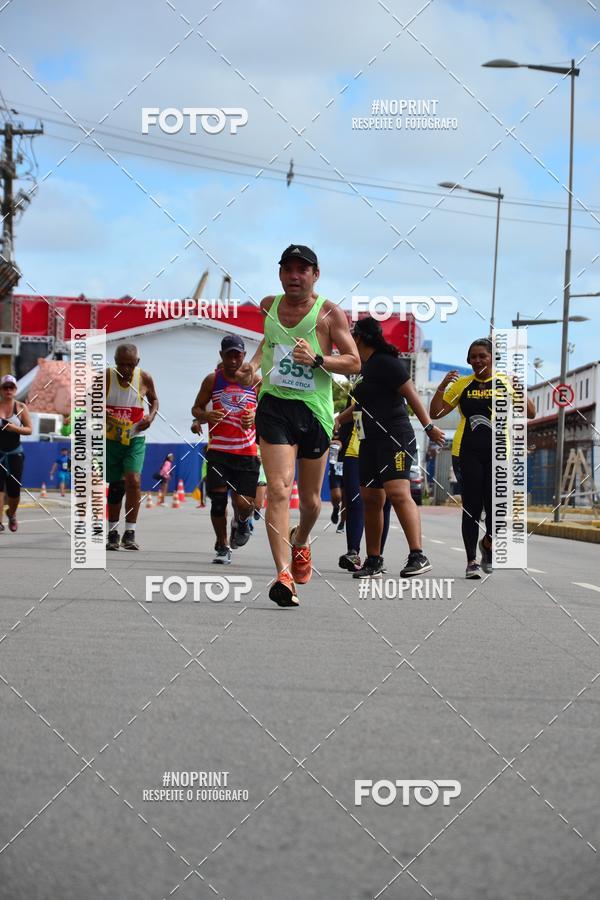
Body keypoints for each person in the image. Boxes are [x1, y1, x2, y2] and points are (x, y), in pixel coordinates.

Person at [238, 244, 361, 606]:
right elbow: (270, 341)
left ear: (315, 275)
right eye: (288, 269)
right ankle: (283, 575)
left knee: (310, 503)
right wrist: (253, 365)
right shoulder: (267, 305)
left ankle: (301, 539)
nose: (294, 276)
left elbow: (354, 362)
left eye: (302, 270)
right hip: (274, 406)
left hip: (314, 413)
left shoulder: (329, 314)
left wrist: (320, 358)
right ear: (280, 274)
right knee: (278, 488)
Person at [429, 338, 535, 578]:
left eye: (482, 356)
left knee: (497, 509)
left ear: (492, 358)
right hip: (465, 453)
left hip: (498, 455)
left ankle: (488, 543)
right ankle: (471, 562)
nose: (477, 361)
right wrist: (442, 387)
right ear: (468, 360)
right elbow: (434, 413)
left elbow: (530, 412)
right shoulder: (463, 385)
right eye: (473, 357)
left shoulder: (505, 383)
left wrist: (520, 390)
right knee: (472, 508)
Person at [349, 317, 445, 578]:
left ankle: (418, 555)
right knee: (371, 498)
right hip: (369, 440)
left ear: (358, 337)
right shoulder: (364, 368)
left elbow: (411, 394)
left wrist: (428, 427)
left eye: (351, 336)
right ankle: (374, 560)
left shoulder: (385, 362)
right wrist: (336, 421)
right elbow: (358, 407)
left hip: (395, 436)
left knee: (397, 492)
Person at [191, 335, 261, 564]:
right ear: (221, 355)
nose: (233, 360)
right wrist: (206, 415)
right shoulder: (213, 380)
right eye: (229, 354)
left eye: (237, 355)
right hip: (219, 451)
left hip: (247, 452)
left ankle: (241, 523)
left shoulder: (256, 382)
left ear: (244, 356)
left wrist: (255, 415)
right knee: (218, 500)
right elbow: (196, 408)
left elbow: (270, 412)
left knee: (243, 504)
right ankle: (222, 545)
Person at [105, 344, 158, 551]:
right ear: (115, 362)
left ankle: (130, 532)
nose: (125, 369)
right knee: (117, 486)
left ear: (137, 363)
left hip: (135, 438)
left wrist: (151, 417)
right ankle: (112, 532)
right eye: (121, 365)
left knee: (134, 481)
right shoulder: (106, 377)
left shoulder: (144, 377)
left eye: (129, 365)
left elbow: (154, 399)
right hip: (111, 440)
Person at [335, 398, 392, 573]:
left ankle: (376, 557)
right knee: (355, 501)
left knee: (383, 505)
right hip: (356, 450)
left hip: (387, 449)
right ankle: (353, 552)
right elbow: (356, 414)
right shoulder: (359, 385)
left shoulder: (396, 380)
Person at [0, 374, 32, 532]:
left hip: (15, 453)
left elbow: (29, 429)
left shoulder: (20, 408)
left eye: (11, 387)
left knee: (14, 491)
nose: (8, 390)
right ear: (1, 390)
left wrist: (14, 428)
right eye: (5, 387)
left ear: (15, 390)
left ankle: (11, 514)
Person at [327, 436, 345, 533]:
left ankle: (342, 523)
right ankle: (336, 507)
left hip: (350, 465)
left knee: (346, 499)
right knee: (337, 496)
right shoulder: (335, 425)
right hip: (335, 467)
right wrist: (332, 443)